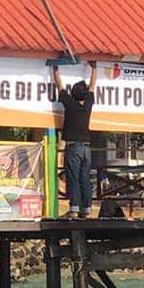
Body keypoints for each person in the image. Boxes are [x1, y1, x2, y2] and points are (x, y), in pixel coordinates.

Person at [53, 62, 97, 219]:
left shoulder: (70, 104)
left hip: (74, 147)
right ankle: (87, 209)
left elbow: (60, 86)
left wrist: (55, 69)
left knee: (73, 177)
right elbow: (92, 86)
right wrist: (94, 68)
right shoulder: (88, 105)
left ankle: (74, 209)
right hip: (87, 148)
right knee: (85, 178)